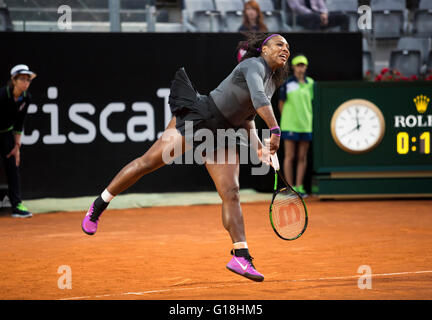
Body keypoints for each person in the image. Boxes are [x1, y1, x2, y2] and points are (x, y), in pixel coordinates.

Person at [82, 33, 290, 282]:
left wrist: (258, 147)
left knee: (231, 192)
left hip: (222, 134)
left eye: (288, 46)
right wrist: (275, 130)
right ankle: (100, 203)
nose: (285, 49)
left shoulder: (272, 81)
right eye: (279, 44)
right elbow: (258, 100)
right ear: (264, 49)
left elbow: (247, 116)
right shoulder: (252, 65)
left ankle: (240, 255)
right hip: (200, 117)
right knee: (147, 163)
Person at [0, 64, 36, 218]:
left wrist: (17, 146)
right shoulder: (2, 95)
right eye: (22, 79)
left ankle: (17, 206)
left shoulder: (26, 98)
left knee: (13, 166)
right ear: (13, 80)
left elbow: (19, 123)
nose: (26, 83)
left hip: (7, 134)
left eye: (28, 80)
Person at [278, 54, 314, 197]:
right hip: (289, 125)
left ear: (305, 67)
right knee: (289, 156)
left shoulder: (311, 84)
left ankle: (299, 187)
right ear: (293, 67)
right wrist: (287, 119)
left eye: (303, 65)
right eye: (298, 65)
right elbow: (280, 104)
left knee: (302, 157)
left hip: (306, 125)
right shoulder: (287, 84)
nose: (300, 68)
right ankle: (290, 187)